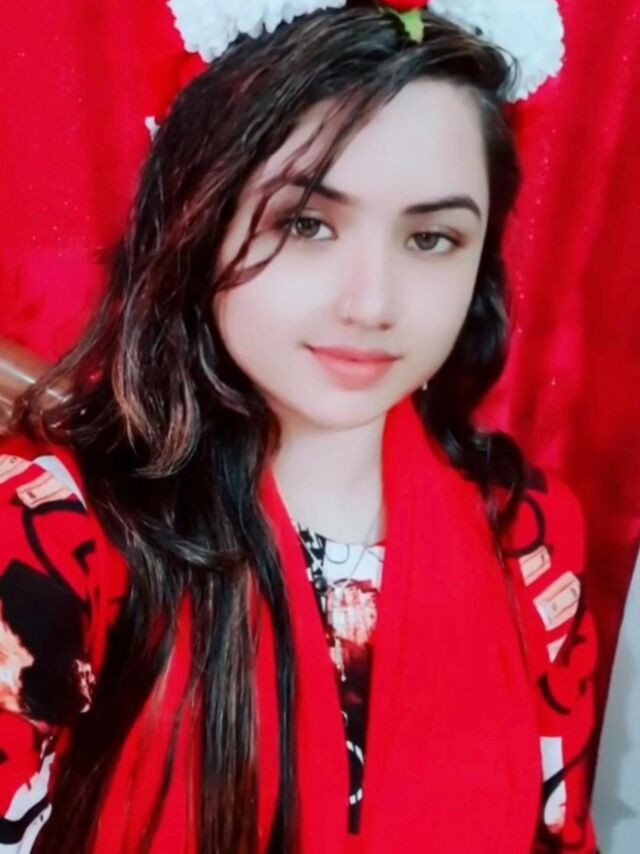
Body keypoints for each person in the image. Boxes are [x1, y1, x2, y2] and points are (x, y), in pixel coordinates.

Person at [0, 2, 598, 851]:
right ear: (200, 216)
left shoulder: (527, 533)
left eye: (431, 238)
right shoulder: (52, 532)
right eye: (306, 224)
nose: (372, 304)